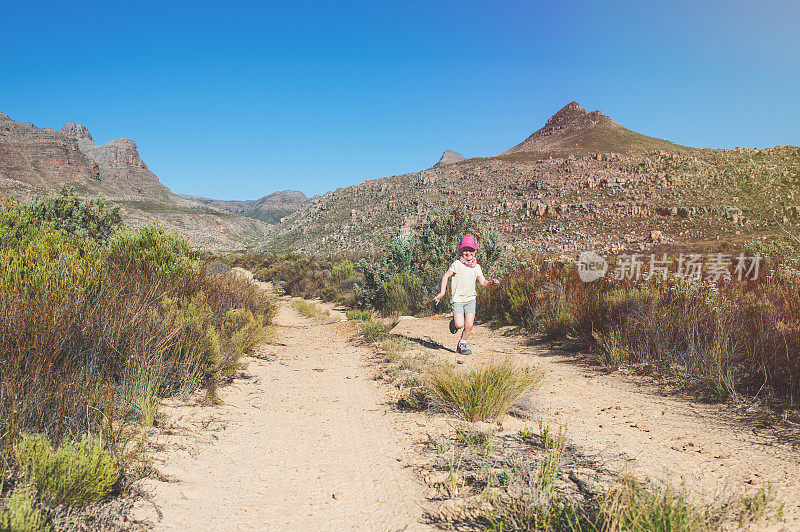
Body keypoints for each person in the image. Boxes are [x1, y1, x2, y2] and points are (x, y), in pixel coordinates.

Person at [433, 234, 499, 355]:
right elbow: (446, 275)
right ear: (461, 251)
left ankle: (462, 345)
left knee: (469, 325)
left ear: (475, 252)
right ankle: (453, 324)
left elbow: (483, 282)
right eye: (465, 250)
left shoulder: (477, 267)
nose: (468, 253)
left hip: (471, 299)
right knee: (459, 324)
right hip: (458, 299)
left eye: (471, 250)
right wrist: (442, 293)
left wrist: (491, 282)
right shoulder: (457, 264)